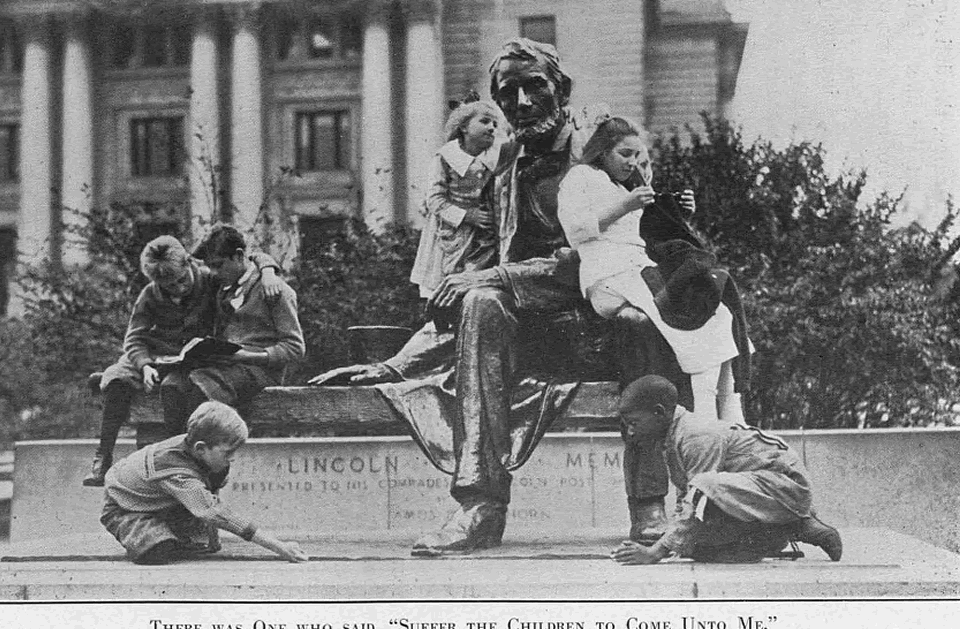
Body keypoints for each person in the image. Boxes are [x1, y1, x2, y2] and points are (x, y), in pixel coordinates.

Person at [311, 38, 681, 554]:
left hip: (598, 311)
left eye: (535, 87)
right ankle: (480, 506)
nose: (523, 103)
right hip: (531, 328)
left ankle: (649, 506)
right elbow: (479, 272)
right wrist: (395, 364)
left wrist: (497, 278)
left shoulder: (601, 149)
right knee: (481, 304)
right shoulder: (504, 164)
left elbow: (606, 250)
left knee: (635, 323)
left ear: (562, 89)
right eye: (509, 94)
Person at [557, 115, 744, 423]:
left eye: (637, 155)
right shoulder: (580, 176)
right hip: (608, 275)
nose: (632, 162)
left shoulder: (622, 186)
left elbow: (651, 232)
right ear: (603, 151)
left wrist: (680, 211)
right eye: (625, 154)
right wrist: (625, 206)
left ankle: (730, 412)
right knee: (692, 323)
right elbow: (575, 231)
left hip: (636, 269)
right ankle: (707, 420)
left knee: (718, 312)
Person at [84, 235, 283, 486]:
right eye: (169, 286)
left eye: (181, 280)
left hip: (193, 357)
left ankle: (180, 460)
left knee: (180, 385)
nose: (178, 289)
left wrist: (268, 269)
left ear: (189, 262)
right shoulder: (150, 295)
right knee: (117, 378)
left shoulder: (210, 280)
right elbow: (134, 338)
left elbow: (245, 259)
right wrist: (144, 365)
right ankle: (102, 457)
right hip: (157, 356)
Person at [611, 376, 842, 565]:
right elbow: (689, 500)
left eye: (634, 422)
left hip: (785, 487)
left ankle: (799, 524)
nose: (630, 432)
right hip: (760, 489)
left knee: (703, 487)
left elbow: (698, 494)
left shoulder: (695, 435)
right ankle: (774, 534)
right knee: (694, 549)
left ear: (659, 412)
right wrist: (671, 542)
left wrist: (655, 553)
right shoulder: (675, 434)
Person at [101, 400, 307, 564]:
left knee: (206, 545)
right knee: (157, 550)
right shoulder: (176, 472)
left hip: (160, 500)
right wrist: (278, 546)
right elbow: (215, 511)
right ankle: (150, 531)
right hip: (124, 507)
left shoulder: (197, 447)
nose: (233, 457)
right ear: (200, 448)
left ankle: (173, 527)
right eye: (228, 452)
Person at [159, 224, 305, 435]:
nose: (215, 273)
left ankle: (199, 454)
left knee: (202, 384)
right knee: (172, 384)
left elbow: (295, 348)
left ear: (238, 257)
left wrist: (247, 356)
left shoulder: (275, 291)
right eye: (211, 266)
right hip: (226, 366)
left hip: (259, 371)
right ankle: (176, 452)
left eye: (219, 265)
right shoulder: (223, 286)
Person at [410, 96, 503, 301]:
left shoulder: (494, 160)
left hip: (483, 236)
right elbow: (435, 199)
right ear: (464, 127)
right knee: (443, 279)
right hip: (450, 232)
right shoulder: (445, 158)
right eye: (485, 121)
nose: (491, 128)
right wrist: (467, 216)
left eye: (495, 124)